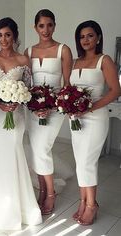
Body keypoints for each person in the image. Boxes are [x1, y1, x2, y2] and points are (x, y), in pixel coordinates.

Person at [0, 17, 42, 232]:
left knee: (14, 151)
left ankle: (20, 206)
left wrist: (18, 99)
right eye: (0, 35)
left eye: (8, 35)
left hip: (16, 116)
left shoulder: (23, 60)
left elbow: (30, 89)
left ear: (14, 36)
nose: (3, 39)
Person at [70, 20, 121, 225]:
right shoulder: (74, 62)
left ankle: (92, 205)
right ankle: (83, 201)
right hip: (76, 119)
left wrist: (90, 107)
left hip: (95, 117)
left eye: (90, 35)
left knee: (87, 162)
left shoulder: (104, 60)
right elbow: (68, 90)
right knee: (79, 162)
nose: (86, 40)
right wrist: (70, 107)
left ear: (98, 37)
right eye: (82, 36)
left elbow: (116, 90)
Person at [24, 9, 73, 215]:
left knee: (42, 149)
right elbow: (27, 83)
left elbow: (68, 85)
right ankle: (43, 189)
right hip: (33, 109)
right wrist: (35, 106)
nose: (46, 30)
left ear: (54, 26)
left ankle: (50, 193)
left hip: (54, 109)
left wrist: (51, 105)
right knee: (37, 150)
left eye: (50, 25)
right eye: (41, 26)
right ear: (35, 27)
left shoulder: (64, 50)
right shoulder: (28, 52)